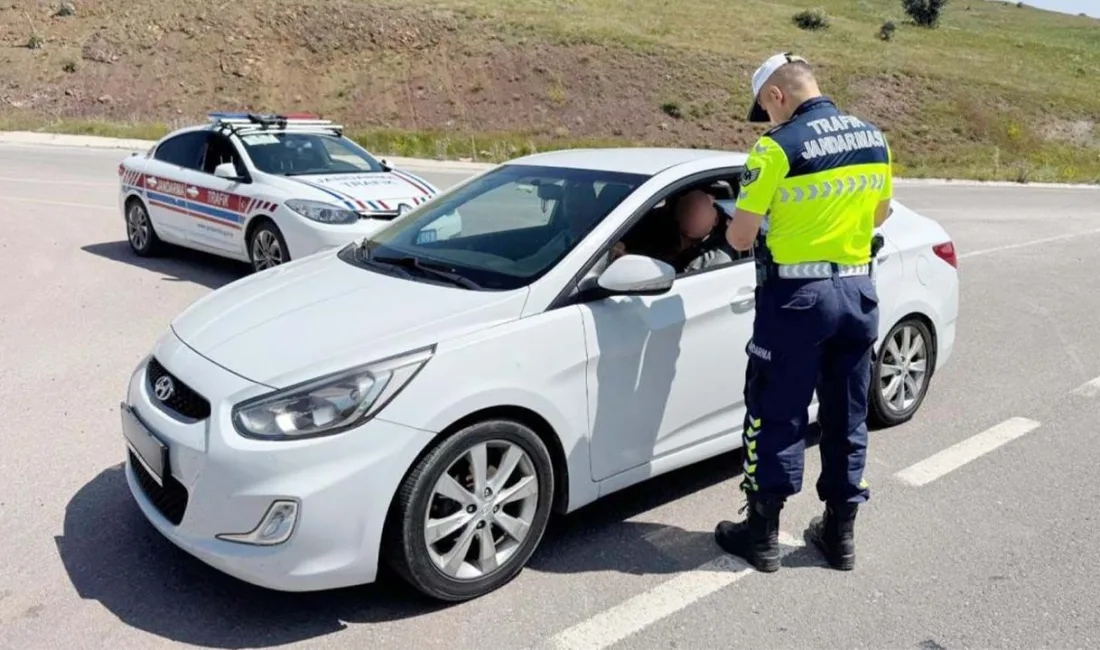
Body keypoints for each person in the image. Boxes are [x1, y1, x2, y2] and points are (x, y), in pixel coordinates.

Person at [713, 52, 895, 573]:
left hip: (796, 300)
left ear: (776, 95)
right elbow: (880, 212)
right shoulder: (873, 138)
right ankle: (839, 537)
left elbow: (741, 236)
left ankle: (762, 535)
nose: (766, 120)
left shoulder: (774, 148)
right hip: (858, 294)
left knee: (777, 412)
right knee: (848, 415)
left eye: (764, 109)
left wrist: (768, 220)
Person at [610, 189, 735, 273]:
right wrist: (624, 255)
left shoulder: (718, 258)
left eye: (701, 212)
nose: (693, 215)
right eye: (689, 209)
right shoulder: (660, 232)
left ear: (716, 220)